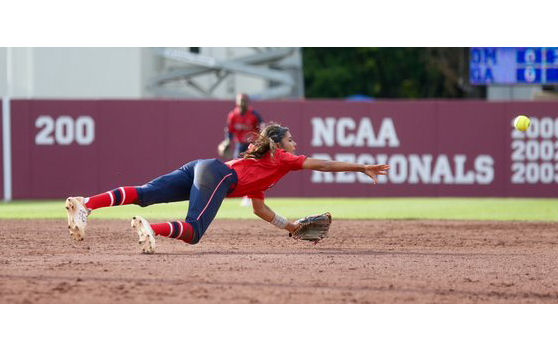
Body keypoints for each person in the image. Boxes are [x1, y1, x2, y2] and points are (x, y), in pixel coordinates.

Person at [65, 123, 390, 254]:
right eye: (290, 139)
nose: (295, 144)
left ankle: (86, 204)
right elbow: (324, 165)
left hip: (202, 168)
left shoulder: (265, 170)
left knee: (146, 193)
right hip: (218, 175)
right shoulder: (283, 158)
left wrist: (289, 226)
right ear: (278, 144)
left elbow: (259, 208)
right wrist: (360, 167)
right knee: (193, 232)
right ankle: (152, 229)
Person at [221, 93, 264, 159]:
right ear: (237, 102)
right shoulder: (233, 115)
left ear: (248, 102)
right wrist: (228, 141)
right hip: (240, 143)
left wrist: (261, 140)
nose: (243, 103)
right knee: (237, 161)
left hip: (252, 144)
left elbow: (262, 126)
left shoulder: (254, 114)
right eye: (241, 100)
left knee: (253, 162)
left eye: (244, 101)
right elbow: (230, 129)